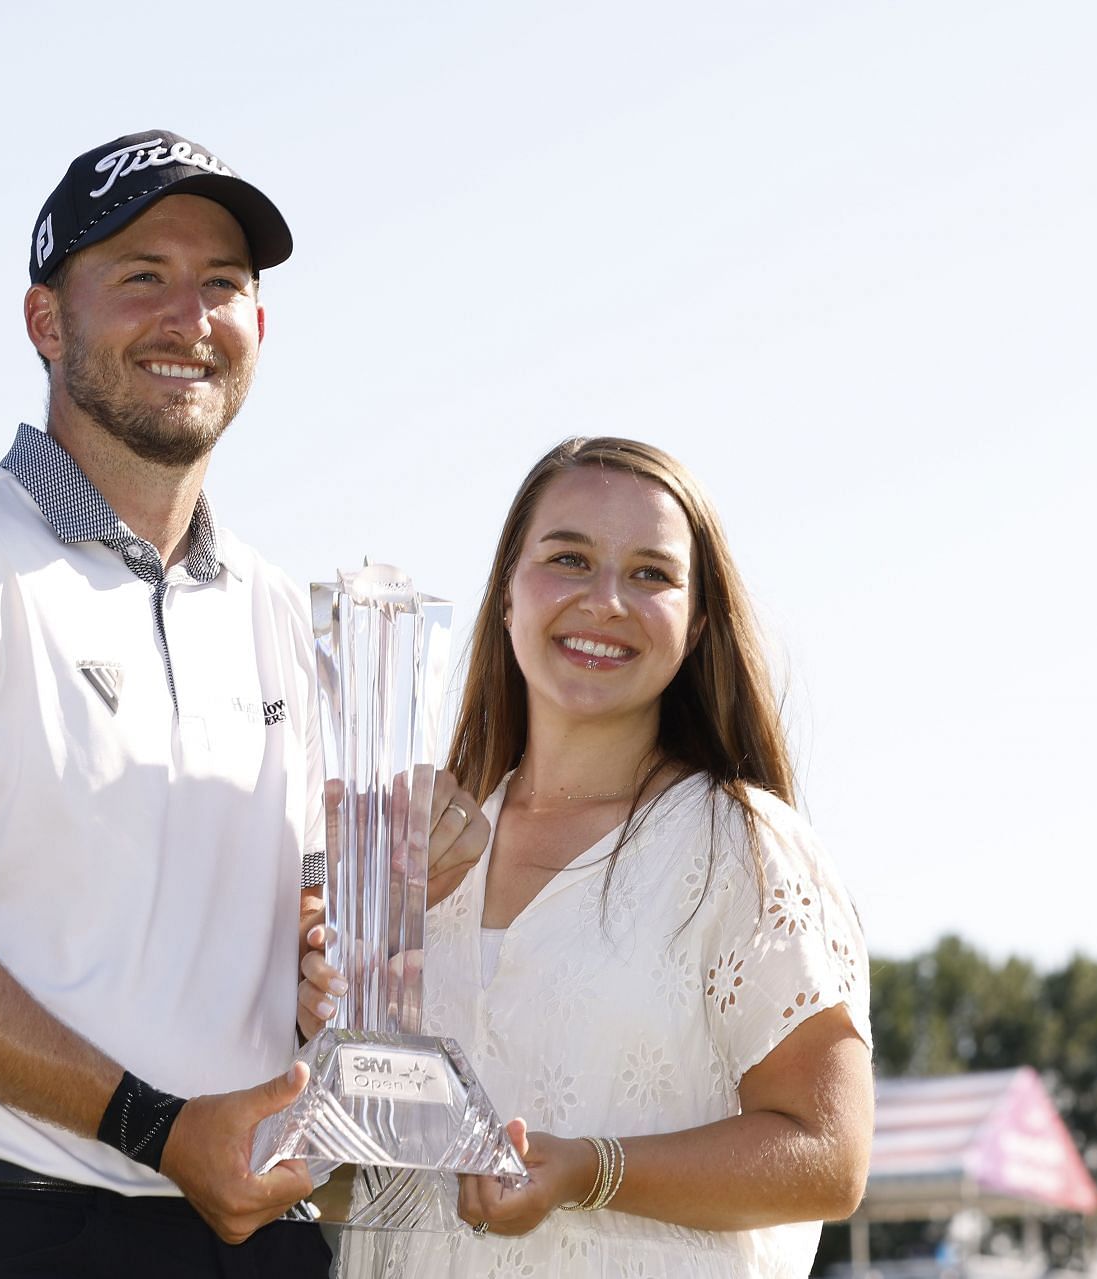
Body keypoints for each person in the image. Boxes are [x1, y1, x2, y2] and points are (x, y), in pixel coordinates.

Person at [0, 130, 490, 1279]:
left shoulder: (277, 608)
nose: (190, 317)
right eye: (143, 277)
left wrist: (387, 898)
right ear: (46, 322)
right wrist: (157, 1129)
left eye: (223, 285)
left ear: (260, 328)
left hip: (255, 1236)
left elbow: (290, 977)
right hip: (14, 1231)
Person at [303, 438, 874, 1277]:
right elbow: (361, 1183)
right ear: (506, 594)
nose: (606, 600)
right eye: (569, 558)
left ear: (697, 622)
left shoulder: (741, 846)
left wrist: (589, 1170)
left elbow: (829, 1155)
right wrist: (322, 1026)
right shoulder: (418, 853)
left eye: (651, 574)